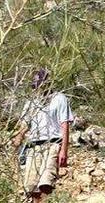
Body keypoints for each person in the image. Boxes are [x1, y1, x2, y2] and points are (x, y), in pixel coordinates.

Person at [14, 70, 73, 200]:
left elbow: (65, 125)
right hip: (34, 146)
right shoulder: (31, 103)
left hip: (53, 143)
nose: (38, 88)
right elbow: (25, 124)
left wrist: (64, 150)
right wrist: (19, 137)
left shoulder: (59, 99)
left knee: (45, 182)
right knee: (30, 185)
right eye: (35, 85)